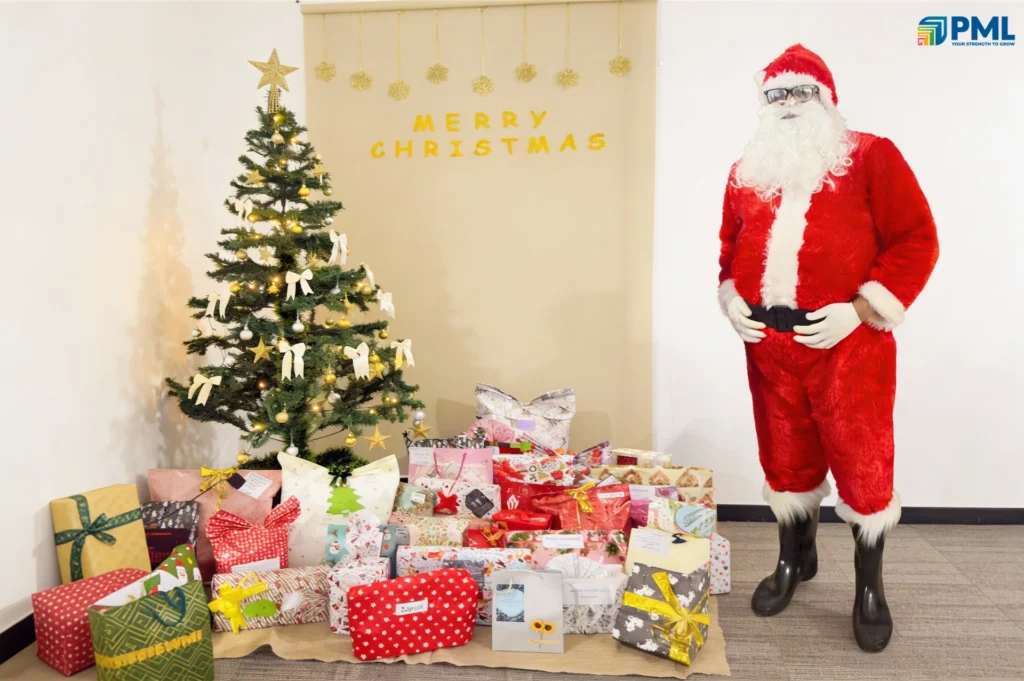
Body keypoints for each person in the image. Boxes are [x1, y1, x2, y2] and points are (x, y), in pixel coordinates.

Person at [716, 44, 939, 652]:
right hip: (769, 347)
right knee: (785, 461)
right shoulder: (747, 170)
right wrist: (732, 298)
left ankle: (870, 588)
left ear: (826, 98)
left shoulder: (871, 156)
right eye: (774, 95)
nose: (786, 106)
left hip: (849, 348)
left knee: (864, 468)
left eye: (799, 92)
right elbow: (728, 247)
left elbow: (916, 239)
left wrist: (862, 311)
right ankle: (796, 560)